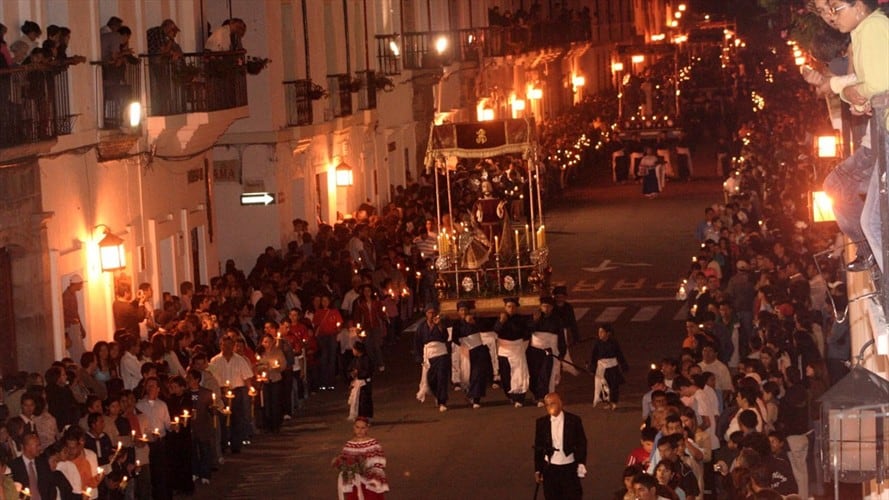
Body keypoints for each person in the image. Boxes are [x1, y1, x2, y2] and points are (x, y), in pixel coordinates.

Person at [533, 392, 587, 500]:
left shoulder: (574, 420)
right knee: (551, 496)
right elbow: (538, 447)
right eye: (547, 405)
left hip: (569, 467)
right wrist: (538, 469)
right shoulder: (541, 423)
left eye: (553, 404)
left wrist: (581, 462)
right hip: (550, 468)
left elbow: (581, 442)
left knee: (573, 496)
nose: (550, 407)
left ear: (560, 403)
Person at [208, 334, 254, 454]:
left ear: (233, 346)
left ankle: (236, 444)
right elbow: (211, 377)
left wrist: (250, 389)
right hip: (221, 392)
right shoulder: (214, 361)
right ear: (220, 346)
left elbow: (247, 377)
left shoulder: (240, 360)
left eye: (229, 345)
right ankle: (223, 444)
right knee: (222, 419)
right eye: (224, 345)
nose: (227, 348)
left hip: (236, 391)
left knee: (237, 418)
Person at [332, 416, 389, 499]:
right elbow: (344, 460)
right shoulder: (349, 444)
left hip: (369, 481)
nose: (360, 430)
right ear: (354, 428)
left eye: (363, 428)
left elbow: (380, 462)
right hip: (355, 481)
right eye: (357, 427)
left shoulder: (373, 444)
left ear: (367, 428)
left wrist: (371, 473)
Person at [450, 300, 492, 409]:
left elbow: (485, 328)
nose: (463, 312)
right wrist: (462, 344)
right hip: (465, 351)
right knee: (467, 374)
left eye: (465, 310)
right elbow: (455, 338)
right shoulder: (457, 324)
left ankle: (476, 398)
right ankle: (469, 393)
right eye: (461, 310)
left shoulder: (476, 320)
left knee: (477, 374)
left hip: (477, 350)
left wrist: (473, 323)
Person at [527, 296, 566, 406]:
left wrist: (562, 352)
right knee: (534, 374)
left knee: (544, 374)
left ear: (552, 307)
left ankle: (541, 397)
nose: (546, 308)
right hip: (534, 350)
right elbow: (528, 330)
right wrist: (535, 321)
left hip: (548, 351)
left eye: (548, 306)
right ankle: (536, 394)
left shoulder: (557, 320)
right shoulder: (536, 316)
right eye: (544, 306)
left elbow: (561, 337)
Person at [494, 297, 530, 408]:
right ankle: (510, 395)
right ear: (505, 307)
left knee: (519, 373)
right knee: (506, 374)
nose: (511, 309)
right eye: (509, 306)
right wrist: (501, 322)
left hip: (517, 348)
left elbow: (526, 332)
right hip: (504, 350)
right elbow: (496, 330)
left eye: (513, 307)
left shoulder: (521, 319)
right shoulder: (501, 318)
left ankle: (519, 397)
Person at [414, 304, 450, 412]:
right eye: (429, 313)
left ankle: (442, 401)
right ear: (426, 314)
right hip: (429, 355)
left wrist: (439, 326)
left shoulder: (440, 324)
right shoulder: (421, 327)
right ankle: (436, 395)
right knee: (432, 379)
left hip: (441, 354)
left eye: (433, 312)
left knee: (441, 378)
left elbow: (445, 337)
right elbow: (417, 343)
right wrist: (419, 357)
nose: (431, 315)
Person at [589, 324, 629, 409]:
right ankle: (607, 401)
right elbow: (594, 356)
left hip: (612, 367)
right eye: (599, 332)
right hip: (601, 367)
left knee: (613, 385)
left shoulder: (614, 343)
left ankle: (613, 402)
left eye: (602, 332)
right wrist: (592, 368)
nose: (599, 334)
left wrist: (624, 365)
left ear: (608, 333)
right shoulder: (597, 343)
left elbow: (619, 354)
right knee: (603, 386)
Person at [62, 274, 86, 361]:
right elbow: (62, 316)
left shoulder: (73, 294)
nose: (81, 286)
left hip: (75, 327)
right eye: (80, 284)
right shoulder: (66, 296)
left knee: (81, 351)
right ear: (76, 284)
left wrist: (81, 328)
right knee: (77, 353)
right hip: (70, 328)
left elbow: (76, 313)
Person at [347, 341, 374, 421]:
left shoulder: (366, 359)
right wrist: (352, 374)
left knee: (364, 400)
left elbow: (368, 371)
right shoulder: (355, 359)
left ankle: (366, 416)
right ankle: (358, 415)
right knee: (357, 400)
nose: (353, 351)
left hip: (364, 383)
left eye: (354, 349)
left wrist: (359, 373)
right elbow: (350, 369)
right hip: (357, 382)